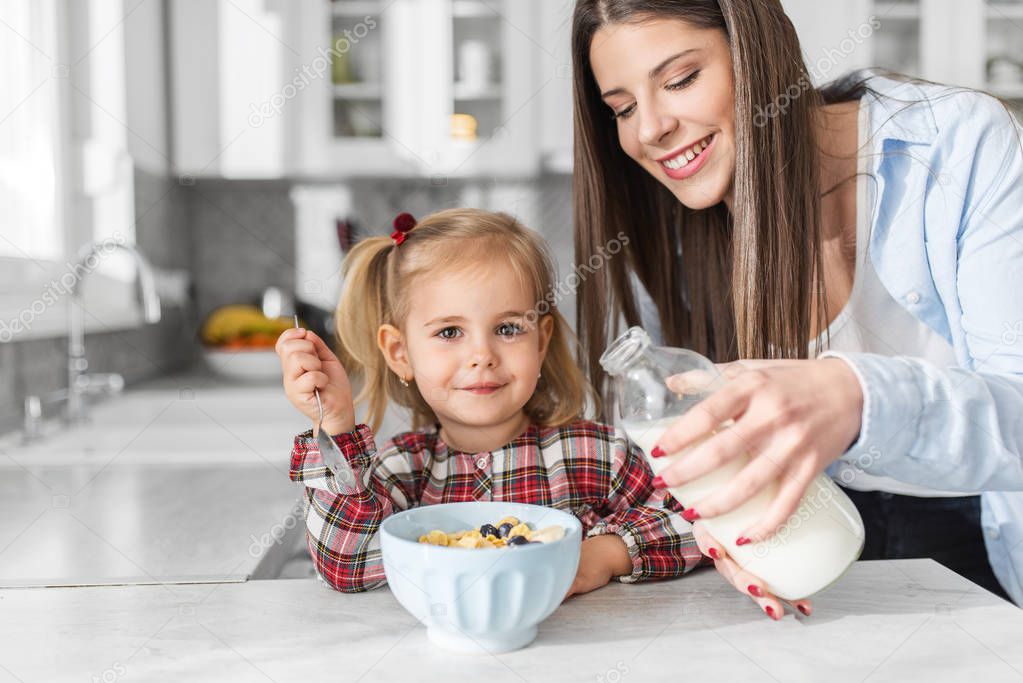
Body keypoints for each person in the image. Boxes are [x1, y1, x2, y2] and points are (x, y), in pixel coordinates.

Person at [572, 0, 1023, 616]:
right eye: (622, 109)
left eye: (679, 80)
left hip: (989, 528)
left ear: (755, 48)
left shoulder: (956, 143)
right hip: (817, 536)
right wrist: (716, 516)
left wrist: (855, 396)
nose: (649, 129)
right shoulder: (670, 230)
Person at [275, 208, 705, 596]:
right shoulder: (402, 471)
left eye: (508, 328)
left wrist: (607, 555)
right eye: (449, 332)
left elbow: (701, 517)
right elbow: (347, 565)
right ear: (400, 353)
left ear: (541, 341)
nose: (482, 355)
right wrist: (334, 423)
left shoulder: (596, 455)